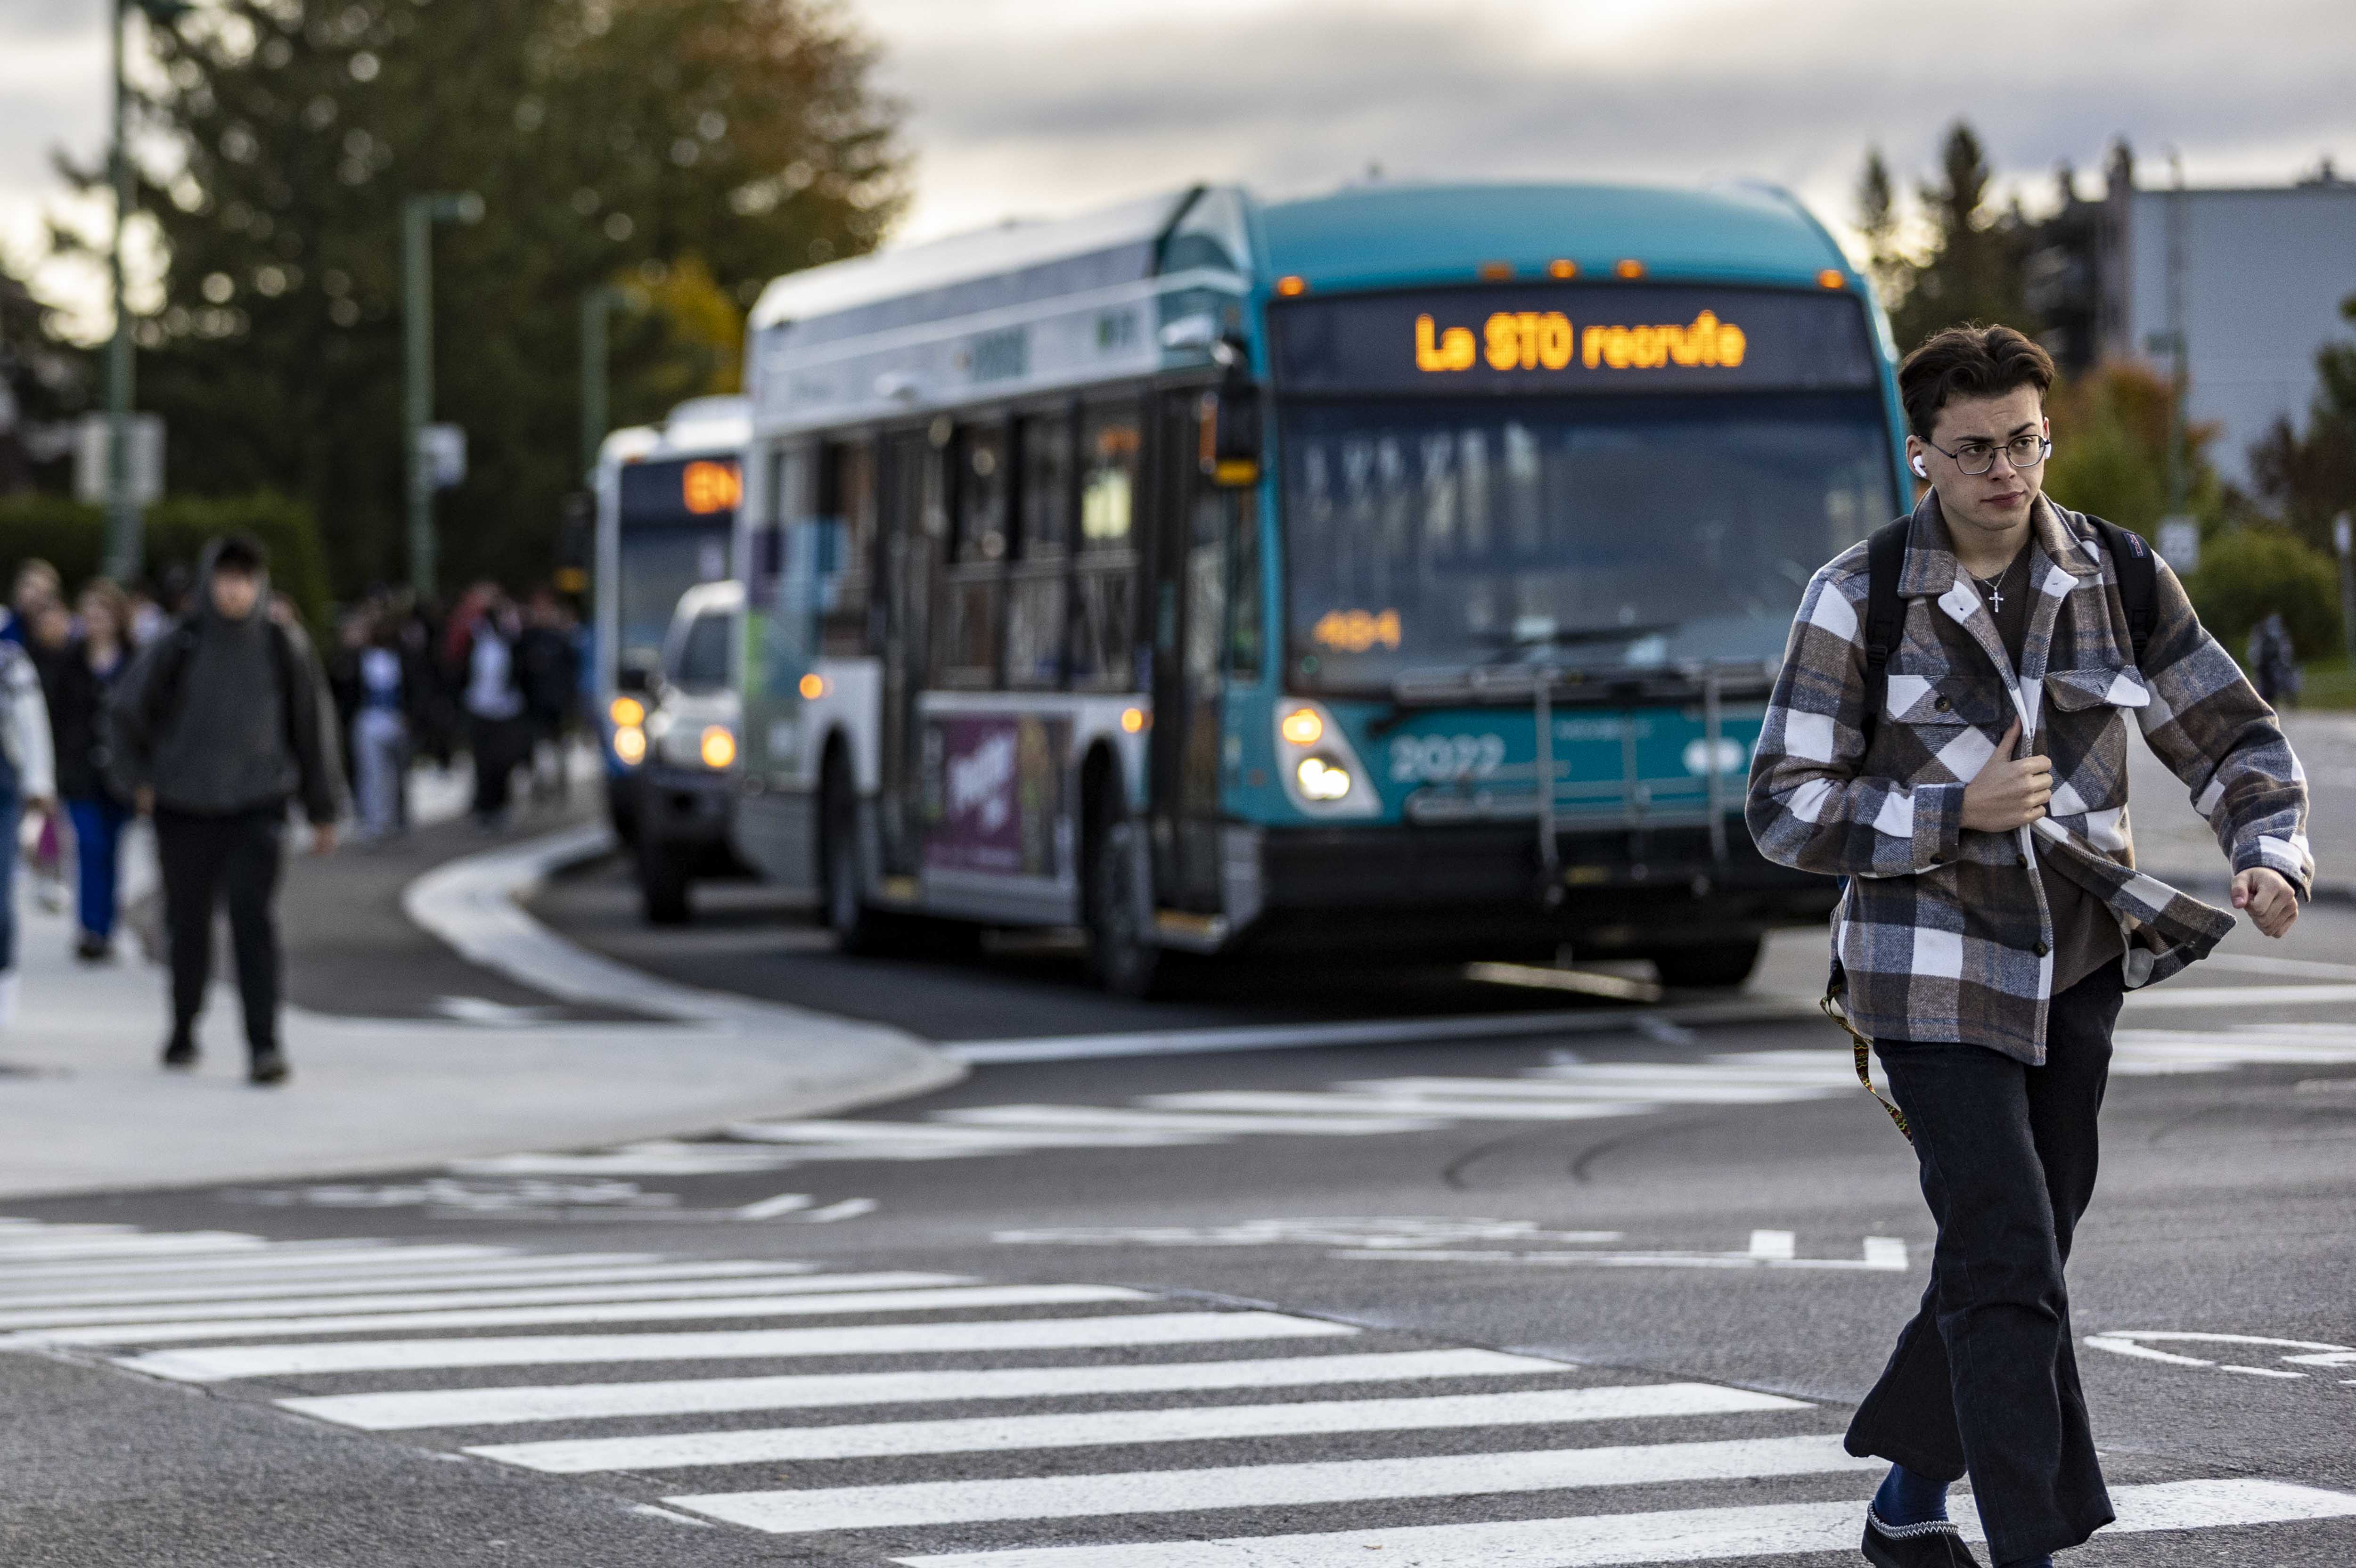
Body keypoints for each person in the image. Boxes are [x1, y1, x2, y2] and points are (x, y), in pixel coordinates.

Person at [1746, 324, 2310, 1568]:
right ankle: (2030, 1546)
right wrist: (1953, 813)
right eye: (1979, 448)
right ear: (1920, 456)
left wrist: (2269, 849)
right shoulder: (1857, 597)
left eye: (2028, 441)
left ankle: (1905, 1501)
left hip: (2079, 960)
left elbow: (2229, 734)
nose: (2010, 470)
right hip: (1928, 968)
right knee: (2006, 1243)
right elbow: (1784, 804)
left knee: (2030, 1245)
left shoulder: (2118, 573)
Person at [107, 535, 343, 1085]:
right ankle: (184, 1024)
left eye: (245, 580)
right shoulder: (181, 641)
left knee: (253, 924)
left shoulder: (282, 644)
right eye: (226, 579)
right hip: (183, 804)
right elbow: (125, 712)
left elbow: (312, 726)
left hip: (256, 804)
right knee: (187, 925)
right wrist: (137, 779)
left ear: (259, 584)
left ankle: (264, 1044)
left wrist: (323, 807)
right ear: (210, 581)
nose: (235, 592)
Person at [46, 579, 136, 960]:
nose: (97, 621)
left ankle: (106, 927)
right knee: (89, 846)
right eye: (91, 613)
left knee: (113, 851)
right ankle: (89, 930)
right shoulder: (70, 660)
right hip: (80, 772)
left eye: (104, 613)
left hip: (121, 775)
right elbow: (55, 715)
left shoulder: (136, 660)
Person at [0, 631, 56, 1026]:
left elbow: (32, 724)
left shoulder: (10, 662)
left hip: (2, 787)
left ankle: (4, 982)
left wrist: (40, 784)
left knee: (0, 896)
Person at [453, 586, 528, 830]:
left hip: (507, 709)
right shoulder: (474, 633)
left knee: (504, 760)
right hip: (480, 706)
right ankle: (485, 807)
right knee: (483, 761)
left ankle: (502, 805)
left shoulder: (514, 634)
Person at [350, 615, 413, 844]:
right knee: (371, 774)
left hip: (397, 721)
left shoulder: (402, 657)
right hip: (370, 721)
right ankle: (373, 822)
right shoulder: (358, 658)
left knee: (398, 774)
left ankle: (398, 818)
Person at [517, 587, 581, 803]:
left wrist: (568, 699)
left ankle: (560, 787)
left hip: (556, 703)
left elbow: (571, 669)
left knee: (557, 746)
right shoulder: (528, 638)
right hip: (534, 703)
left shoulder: (558, 638)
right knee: (537, 746)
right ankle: (541, 787)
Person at [0, 557, 60, 647]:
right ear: (17, 587)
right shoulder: (3, 621)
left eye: (44, 592)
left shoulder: (54, 641)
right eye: (32, 587)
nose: (36, 597)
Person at [2246, 609, 2300, 708]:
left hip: (2275, 663)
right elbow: (2255, 649)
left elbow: (2284, 648)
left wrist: (2285, 661)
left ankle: (2286, 701)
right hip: (2264, 664)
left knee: (2283, 682)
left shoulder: (2278, 633)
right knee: (2265, 686)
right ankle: (2268, 703)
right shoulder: (2260, 632)